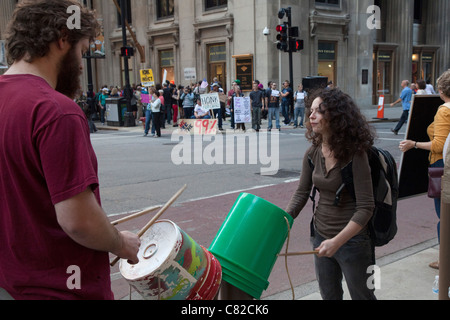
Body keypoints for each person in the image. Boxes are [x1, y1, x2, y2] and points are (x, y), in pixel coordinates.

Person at [0, 0, 140, 300]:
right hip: (61, 289)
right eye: (82, 51)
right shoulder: (56, 111)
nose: (80, 64)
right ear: (63, 38)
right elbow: (78, 220)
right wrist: (119, 243)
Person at [286, 88, 376, 300]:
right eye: (311, 110)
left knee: (362, 295)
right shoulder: (312, 152)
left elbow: (366, 208)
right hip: (320, 235)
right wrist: (284, 220)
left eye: (319, 111)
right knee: (329, 295)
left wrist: (337, 241)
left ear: (336, 117)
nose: (311, 115)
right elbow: (301, 192)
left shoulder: (356, 154)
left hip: (353, 241)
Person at [399, 70, 450, 270]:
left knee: (443, 216)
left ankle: (445, 260)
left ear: (440, 89)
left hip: (441, 166)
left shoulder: (444, 110)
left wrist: (414, 144)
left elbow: (438, 145)